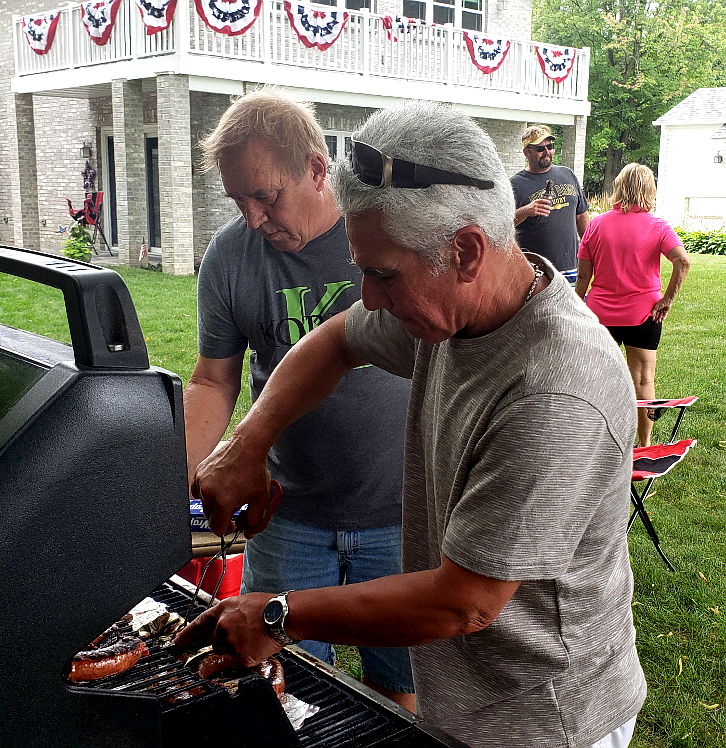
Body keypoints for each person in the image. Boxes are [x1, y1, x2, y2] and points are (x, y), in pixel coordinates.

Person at [177, 101, 645, 748]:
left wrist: (280, 614)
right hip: (471, 701)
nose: (367, 297)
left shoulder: (557, 386)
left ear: (466, 250)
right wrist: (249, 443)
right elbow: (337, 339)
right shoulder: (453, 313)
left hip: (548, 719)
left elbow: (465, 601)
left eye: (380, 274)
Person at [183, 89, 415, 708]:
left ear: (316, 169)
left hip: (400, 511)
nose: (253, 217)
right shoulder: (231, 256)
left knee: (399, 692)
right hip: (289, 518)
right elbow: (213, 380)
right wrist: (178, 478)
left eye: (265, 195)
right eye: (238, 200)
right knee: (282, 689)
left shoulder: (380, 234)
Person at [576, 163, 691, 447]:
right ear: (649, 190)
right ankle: (644, 446)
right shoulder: (658, 226)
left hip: (600, 316)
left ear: (618, 187)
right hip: (645, 314)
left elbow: (583, 276)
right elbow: (683, 260)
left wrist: (578, 305)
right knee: (643, 382)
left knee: (598, 381)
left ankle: (597, 444)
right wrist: (667, 299)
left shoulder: (597, 224)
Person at [511, 125, 590, 282]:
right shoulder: (515, 184)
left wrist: (590, 251)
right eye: (541, 148)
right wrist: (526, 210)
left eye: (550, 146)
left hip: (571, 268)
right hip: (537, 273)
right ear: (527, 152)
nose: (547, 152)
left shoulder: (567, 174)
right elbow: (503, 224)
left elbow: (581, 217)